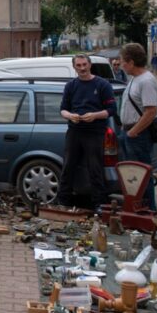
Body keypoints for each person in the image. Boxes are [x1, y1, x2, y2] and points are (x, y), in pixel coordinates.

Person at [57, 54, 117, 209]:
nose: (82, 68)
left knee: (95, 168)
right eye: (79, 65)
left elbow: (111, 110)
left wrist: (95, 116)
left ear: (90, 65)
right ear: (74, 67)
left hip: (95, 131)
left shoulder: (102, 84)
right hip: (75, 130)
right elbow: (63, 110)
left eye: (84, 64)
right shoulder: (70, 86)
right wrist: (71, 116)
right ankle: (63, 201)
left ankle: (99, 204)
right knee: (68, 166)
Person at [118, 43, 157, 211]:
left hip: (138, 135)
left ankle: (148, 210)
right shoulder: (135, 79)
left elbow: (151, 111)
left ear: (130, 62)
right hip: (129, 132)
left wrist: (133, 132)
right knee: (132, 176)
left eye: (122, 61)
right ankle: (136, 208)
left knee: (141, 175)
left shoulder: (147, 80)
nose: (120, 64)